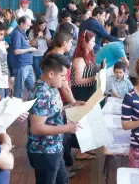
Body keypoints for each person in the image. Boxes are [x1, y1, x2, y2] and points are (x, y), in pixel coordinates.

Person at [27, 53, 81, 184]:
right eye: (62, 76)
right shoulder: (42, 92)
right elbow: (36, 128)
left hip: (54, 147)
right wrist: (67, 128)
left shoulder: (51, 87)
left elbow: (51, 111)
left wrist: (71, 106)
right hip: (44, 150)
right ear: (51, 74)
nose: (64, 80)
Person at [70, 31, 98, 160]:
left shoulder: (89, 56)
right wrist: (94, 78)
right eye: (92, 41)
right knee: (81, 121)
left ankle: (85, 148)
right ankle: (81, 151)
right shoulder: (79, 60)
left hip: (88, 91)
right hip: (80, 92)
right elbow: (78, 80)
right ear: (84, 43)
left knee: (87, 121)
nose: (94, 44)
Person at [11, 16, 36, 99]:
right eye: (27, 25)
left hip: (28, 64)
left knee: (33, 88)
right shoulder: (17, 34)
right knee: (19, 90)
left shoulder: (23, 32)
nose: (28, 27)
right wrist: (30, 49)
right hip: (21, 65)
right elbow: (16, 51)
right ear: (21, 24)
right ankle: (17, 110)